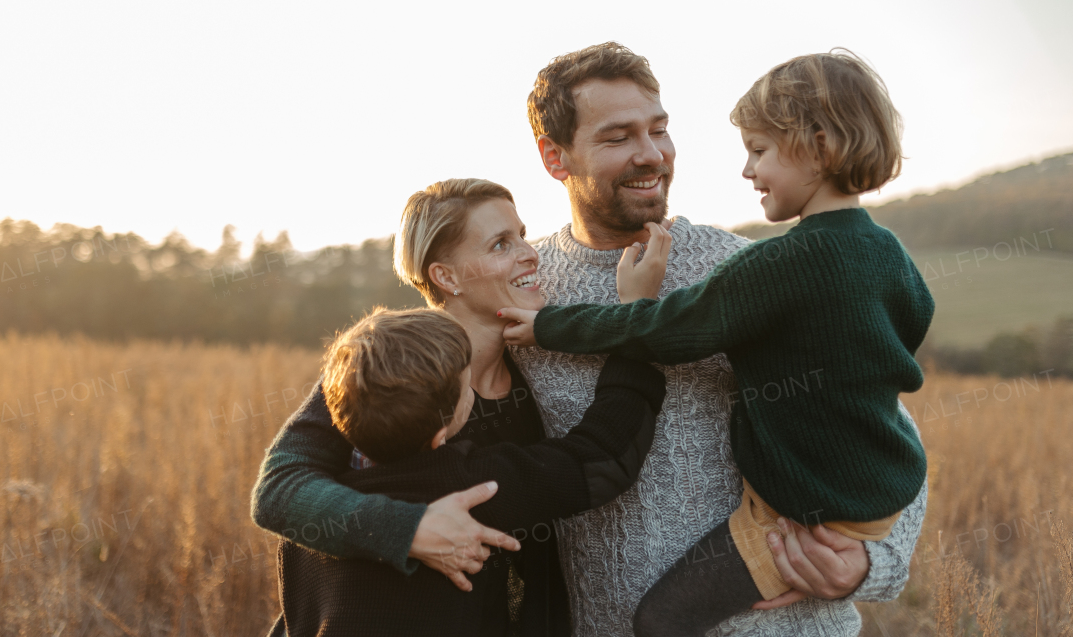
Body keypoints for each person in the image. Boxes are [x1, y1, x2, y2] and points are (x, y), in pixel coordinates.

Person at [501, 49, 932, 636]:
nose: (651, 154)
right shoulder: (520, 292)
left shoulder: (747, 265)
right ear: (556, 157)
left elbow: (880, 424)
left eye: (659, 129)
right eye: (618, 137)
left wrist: (868, 566)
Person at [253, 179, 581, 633]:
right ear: (445, 276)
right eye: (502, 243)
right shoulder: (387, 367)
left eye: (523, 234)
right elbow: (279, 489)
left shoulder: (535, 364)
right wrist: (407, 529)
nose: (531, 252)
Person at [276, 306, 666, 636]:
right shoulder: (473, 491)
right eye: (466, 388)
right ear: (440, 433)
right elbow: (603, 455)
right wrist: (637, 326)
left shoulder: (305, 516)